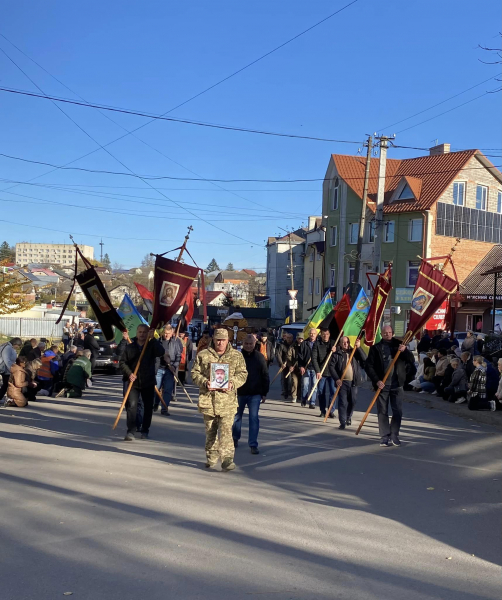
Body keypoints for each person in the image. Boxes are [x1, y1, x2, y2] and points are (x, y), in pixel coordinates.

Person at [192, 328, 247, 471]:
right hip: (208, 401)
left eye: (223, 340)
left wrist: (232, 383)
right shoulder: (203, 355)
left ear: (227, 340)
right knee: (210, 431)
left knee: (226, 431)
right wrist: (205, 382)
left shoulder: (236, 356)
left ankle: (227, 459)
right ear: (213, 340)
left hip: (227, 401)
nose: (220, 343)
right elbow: (194, 373)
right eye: (218, 340)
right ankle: (211, 457)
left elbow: (243, 374)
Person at [365, 325, 415, 447]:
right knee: (382, 411)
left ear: (392, 333)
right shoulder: (375, 348)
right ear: (381, 334)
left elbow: (411, 360)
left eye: (389, 332)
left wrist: (405, 350)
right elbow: (369, 366)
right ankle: (384, 436)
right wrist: (376, 380)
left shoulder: (399, 345)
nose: (388, 334)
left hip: (397, 384)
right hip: (382, 385)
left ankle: (394, 434)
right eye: (385, 332)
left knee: (397, 411)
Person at [119, 325, 166, 441]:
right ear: (137, 332)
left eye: (144, 332)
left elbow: (161, 352)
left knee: (148, 407)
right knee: (132, 406)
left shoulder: (151, 346)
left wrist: (153, 339)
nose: (142, 334)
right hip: (133, 382)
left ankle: (145, 429)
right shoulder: (130, 347)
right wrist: (129, 373)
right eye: (140, 332)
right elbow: (122, 363)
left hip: (148, 381)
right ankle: (131, 431)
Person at [232, 334, 269, 454]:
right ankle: (235, 438)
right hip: (239, 392)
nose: (248, 346)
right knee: (237, 417)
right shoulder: (237, 357)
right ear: (243, 344)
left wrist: (264, 392)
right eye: (246, 344)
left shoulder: (259, 357)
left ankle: (253, 444)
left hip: (255, 393)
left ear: (254, 344)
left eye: (250, 344)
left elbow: (265, 375)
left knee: (254, 418)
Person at [329, 336, 367, 429]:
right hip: (342, 382)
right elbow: (331, 367)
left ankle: (348, 417)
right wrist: (337, 379)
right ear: (340, 344)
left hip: (353, 382)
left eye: (347, 342)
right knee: (342, 402)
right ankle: (342, 422)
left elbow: (364, 359)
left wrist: (359, 347)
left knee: (353, 401)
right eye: (343, 342)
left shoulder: (354, 352)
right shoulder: (337, 354)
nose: (345, 344)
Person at [154, 325, 182, 416]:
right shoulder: (158, 342)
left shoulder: (175, 343)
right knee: (156, 388)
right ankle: (155, 403)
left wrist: (174, 366)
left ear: (171, 333)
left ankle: (164, 408)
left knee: (167, 390)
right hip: (159, 368)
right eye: (165, 333)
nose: (166, 335)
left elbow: (178, 356)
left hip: (170, 370)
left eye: (168, 334)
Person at [312, 327, 336, 418]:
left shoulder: (334, 343)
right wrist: (317, 371)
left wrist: (335, 351)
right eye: (323, 334)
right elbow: (314, 358)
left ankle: (331, 410)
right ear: (320, 335)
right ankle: (322, 410)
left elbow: (339, 356)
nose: (325, 336)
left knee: (333, 392)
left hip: (332, 372)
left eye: (327, 334)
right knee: (321, 392)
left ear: (329, 334)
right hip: (321, 372)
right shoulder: (317, 344)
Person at [298, 328, 318, 409]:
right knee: (305, 385)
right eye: (311, 333)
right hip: (306, 367)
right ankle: (304, 399)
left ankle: (312, 402)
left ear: (316, 334)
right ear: (309, 334)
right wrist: (301, 366)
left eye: (314, 333)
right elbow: (300, 356)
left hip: (315, 368)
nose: (312, 335)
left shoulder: (319, 343)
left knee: (314, 386)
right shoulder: (304, 343)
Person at [0, 337, 22, 402]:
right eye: (18, 345)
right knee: (6, 383)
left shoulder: (8, 347)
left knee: (6, 383)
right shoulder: (8, 348)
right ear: (15, 344)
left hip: (5, 368)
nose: (18, 347)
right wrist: (11, 368)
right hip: (3, 368)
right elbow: (6, 359)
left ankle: (0, 396)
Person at [276, 333, 296, 400]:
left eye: (290, 338)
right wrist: (281, 363)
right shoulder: (282, 345)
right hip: (284, 364)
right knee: (285, 378)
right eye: (288, 338)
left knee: (292, 379)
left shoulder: (294, 345)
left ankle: (291, 392)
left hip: (292, 364)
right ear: (285, 338)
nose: (289, 339)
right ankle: (285, 392)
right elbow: (278, 354)